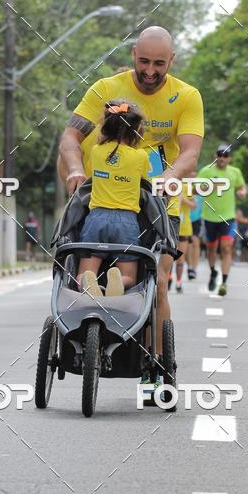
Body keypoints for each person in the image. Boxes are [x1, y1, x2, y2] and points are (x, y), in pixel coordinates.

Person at [58, 25, 204, 350]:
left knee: (159, 284)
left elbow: (191, 152)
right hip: (104, 200)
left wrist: (169, 175)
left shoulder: (187, 96)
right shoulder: (105, 89)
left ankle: (155, 366)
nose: (150, 71)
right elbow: (70, 137)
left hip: (158, 206)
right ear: (134, 55)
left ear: (171, 61)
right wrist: (75, 169)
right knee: (78, 269)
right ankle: (84, 343)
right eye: (145, 62)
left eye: (159, 64)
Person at [77, 101, 148, 297]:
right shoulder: (140, 156)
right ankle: (115, 280)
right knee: (130, 277)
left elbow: (92, 174)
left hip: (96, 219)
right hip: (126, 222)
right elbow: (144, 181)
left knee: (84, 273)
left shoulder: (96, 152)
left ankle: (89, 282)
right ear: (137, 129)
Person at [198, 144, 246, 296]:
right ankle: (213, 272)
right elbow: (194, 189)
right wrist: (205, 188)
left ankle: (224, 282)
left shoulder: (235, 172)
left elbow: (241, 187)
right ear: (215, 156)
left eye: (225, 155)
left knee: (226, 248)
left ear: (229, 158)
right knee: (211, 249)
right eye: (220, 154)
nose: (222, 158)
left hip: (228, 217)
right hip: (209, 217)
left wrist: (242, 192)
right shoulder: (206, 171)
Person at [174, 187, 196, 292]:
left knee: (180, 258)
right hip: (170, 224)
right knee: (167, 257)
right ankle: (168, 279)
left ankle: (178, 282)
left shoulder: (187, 186)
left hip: (184, 226)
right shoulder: (167, 182)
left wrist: (183, 198)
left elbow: (194, 206)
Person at [187, 186, 203, 279]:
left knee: (195, 242)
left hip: (196, 220)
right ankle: (189, 266)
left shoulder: (201, 194)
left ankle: (193, 269)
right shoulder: (183, 188)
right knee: (187, 246)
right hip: (183, 219)